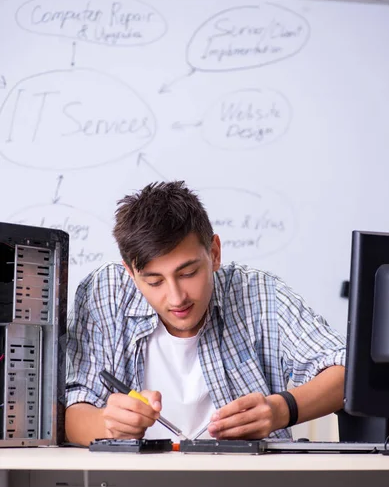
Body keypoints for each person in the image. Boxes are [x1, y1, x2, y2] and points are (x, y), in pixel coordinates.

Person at [65, 181, 346, 446]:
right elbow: (72, 411)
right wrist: (107, 425)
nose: (176, 298)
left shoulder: (257, 293)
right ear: (130, 273)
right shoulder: (105, 292)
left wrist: (281, 410)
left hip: (244, 484)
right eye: (154, 282)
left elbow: (348, 372)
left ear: (214, 253)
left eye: (188, 273)